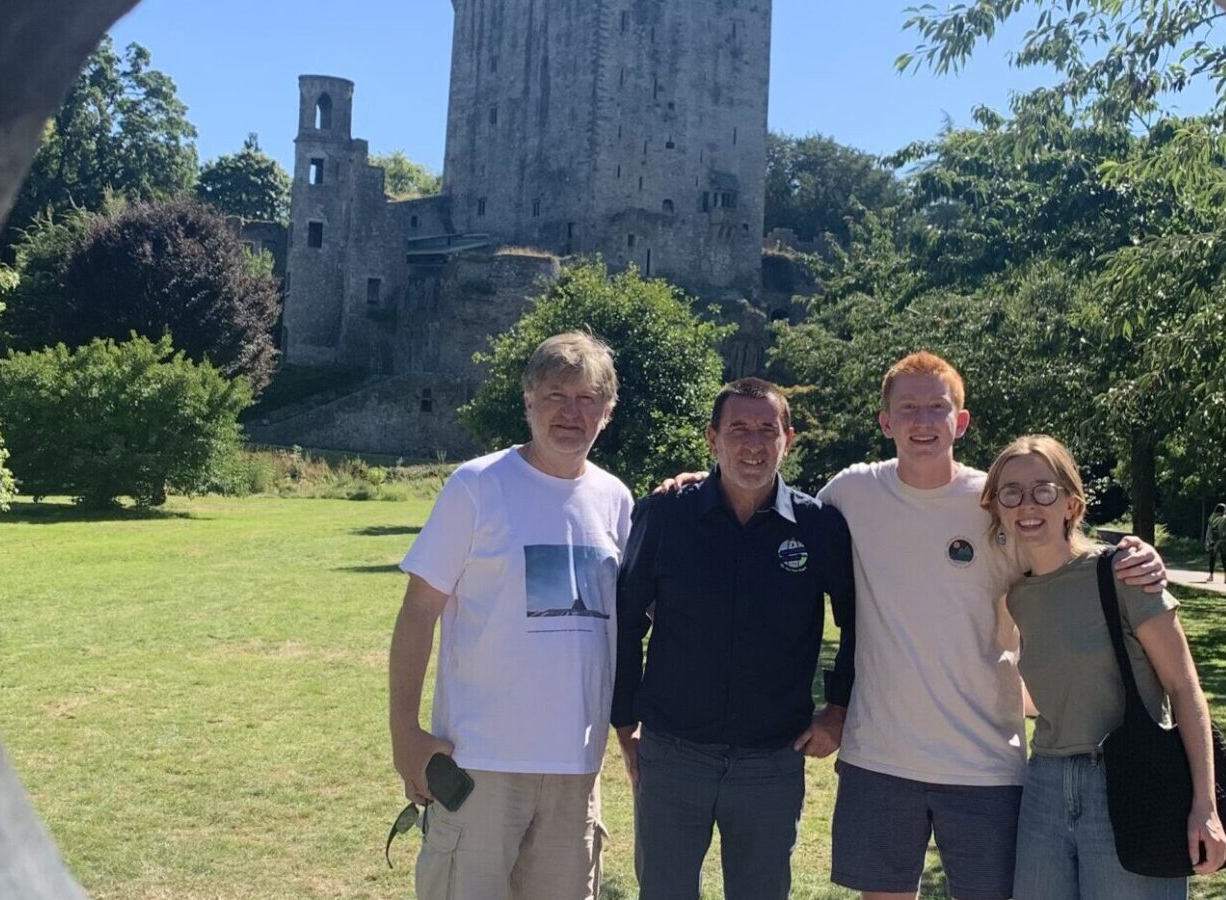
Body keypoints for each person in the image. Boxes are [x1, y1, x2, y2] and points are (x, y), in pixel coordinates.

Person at [662, 352, 1167, 900]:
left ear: (961, 420)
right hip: (880, 759)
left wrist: (1131, 554)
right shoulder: (852, 494)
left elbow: (1061, 552)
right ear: (885, 421)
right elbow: (774, 507)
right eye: (907, 408)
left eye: (937, 407)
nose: (922, 421)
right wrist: (707, 483)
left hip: (984, 761)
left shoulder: (994, 503)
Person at [388, 332, 635, 900]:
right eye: (555, 397)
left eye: (587, 398)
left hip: (577, 770)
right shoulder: (477, 486)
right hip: (478, 763)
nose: (570, 413)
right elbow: (418, 613)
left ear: (607, 410)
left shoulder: (617, 500)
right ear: (528, 402)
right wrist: (405, 735)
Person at [612, 378, 856, 900]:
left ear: (788, 439)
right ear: (712, 438)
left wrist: (838, 709)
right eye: (738, 428)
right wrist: (625, 723)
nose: (753, 443)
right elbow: (626, 622)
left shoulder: (819, 527)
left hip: (772, 759)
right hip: (674, 755)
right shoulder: (666, 514)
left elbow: (857, 624)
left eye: (767, 430)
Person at [981, 434, 1226, 898]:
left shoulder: (1124, 573)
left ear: (1071, 505)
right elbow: (1049, 692)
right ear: (997, 507)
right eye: (1011, 492)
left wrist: (1205, 804)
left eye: (1043, 490)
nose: (1027, 504)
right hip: (1045, 783)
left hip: (1129, 781)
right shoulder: (1016, 597)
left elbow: (1184, 687)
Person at [1203, 503, 1226, 584]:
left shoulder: (1212, 518)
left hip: (1214, 540)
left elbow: (1209, 530)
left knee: (1212, 558)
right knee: (1224, 558)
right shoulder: (1225, 518)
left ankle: (1211, 576)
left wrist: (1207, 540)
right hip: (1224, 540)